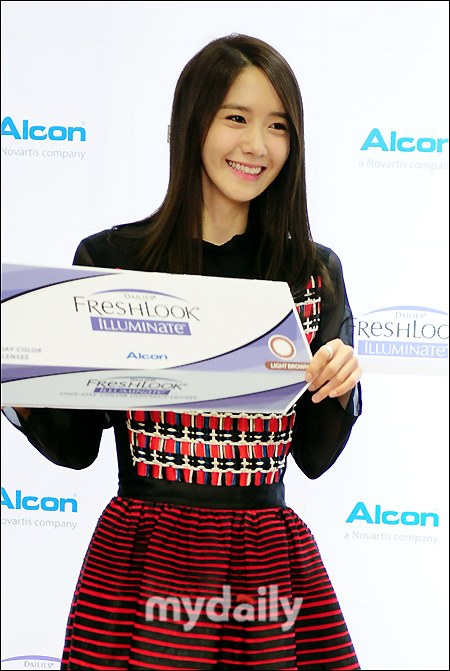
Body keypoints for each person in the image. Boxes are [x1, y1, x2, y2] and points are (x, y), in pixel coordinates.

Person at [5, 34, 363, 670]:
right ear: (190, 123)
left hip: (264, 559)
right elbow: (75, 445)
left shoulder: (312, 273)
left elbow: (314, 456)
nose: (257, 145)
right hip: (142, 555)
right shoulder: (112, 263)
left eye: (278, 126)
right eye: (236, 118)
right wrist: (17, 382)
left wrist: (340, 387)